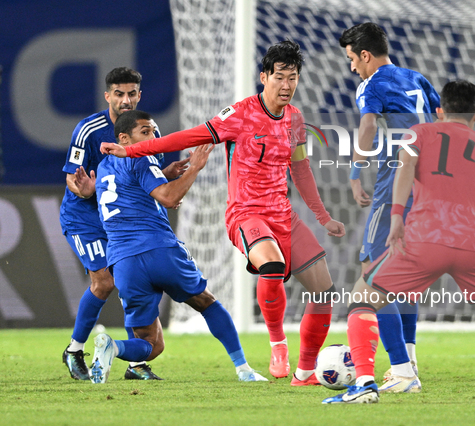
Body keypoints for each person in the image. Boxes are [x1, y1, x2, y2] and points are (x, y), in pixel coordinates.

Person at [101, 41, 346, 385]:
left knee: (324, 294)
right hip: (247, 214)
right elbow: (190, 135)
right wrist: (133, 151)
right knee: (272, 267)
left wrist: (322, 217)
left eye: (293, 78)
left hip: (283, 216)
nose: (287, 85)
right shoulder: (241, 114)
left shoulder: (295, 120)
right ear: (264, 77)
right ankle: (278, 343)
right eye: (280, 77)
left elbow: (301, 170)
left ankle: (304, 373)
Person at [323, 80, 475, 404]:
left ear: (439, 111)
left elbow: (406, 167)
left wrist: (398, 216)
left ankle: (365, 384)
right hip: (474, 243)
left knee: (362, 298)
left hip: (424, 240)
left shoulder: (421, 133)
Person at [88, 109, 267, 384]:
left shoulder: (103, 167)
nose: (153, 137)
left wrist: (163, 173)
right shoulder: (141, 156)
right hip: (159, 250)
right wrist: (194, 167)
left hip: (123, 262)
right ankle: (243, 369)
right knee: (207, 303)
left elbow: (131, 190)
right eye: (145, 132)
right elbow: (169, 198)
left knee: (151, 344)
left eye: (154, 131)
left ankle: (113, 347)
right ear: (124, 138)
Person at [60, 67, 187, 381]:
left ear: (139, 95)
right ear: (108, 96)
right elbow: (71, 178)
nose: (126, 99)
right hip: (86, 218)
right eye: (119, 93)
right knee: (104, 282)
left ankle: (136, 362)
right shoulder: (88, 130)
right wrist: (88, 190)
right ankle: (75, 350)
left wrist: (166, 175)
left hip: (122, 222)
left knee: (137, 282)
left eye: (131, 93)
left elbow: (143, 177)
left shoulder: (143, 129)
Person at [339, 22, 440, 393]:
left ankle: (401, 370)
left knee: (372, 274)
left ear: (365, 55)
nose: (352, 68)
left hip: (395, 186)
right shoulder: (418, 79)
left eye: (351, 59)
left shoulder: (372, 84)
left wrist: (354, 171)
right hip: (431, 187)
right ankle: (409, 360)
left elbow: (367, 126)